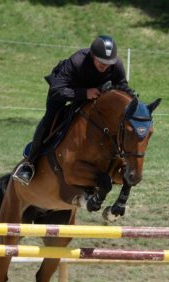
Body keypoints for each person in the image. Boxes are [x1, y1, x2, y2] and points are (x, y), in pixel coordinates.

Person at [12, 35, 129, 185]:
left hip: (94, 96)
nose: (105, 65)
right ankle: (29, 164)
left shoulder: (116, 64)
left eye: (108, 62)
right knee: (50, 119)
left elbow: (123, 87)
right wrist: (85, 93)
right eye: (101, 61)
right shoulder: (77, 61)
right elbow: (56, 90)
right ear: (93, 55)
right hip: (65, 91)